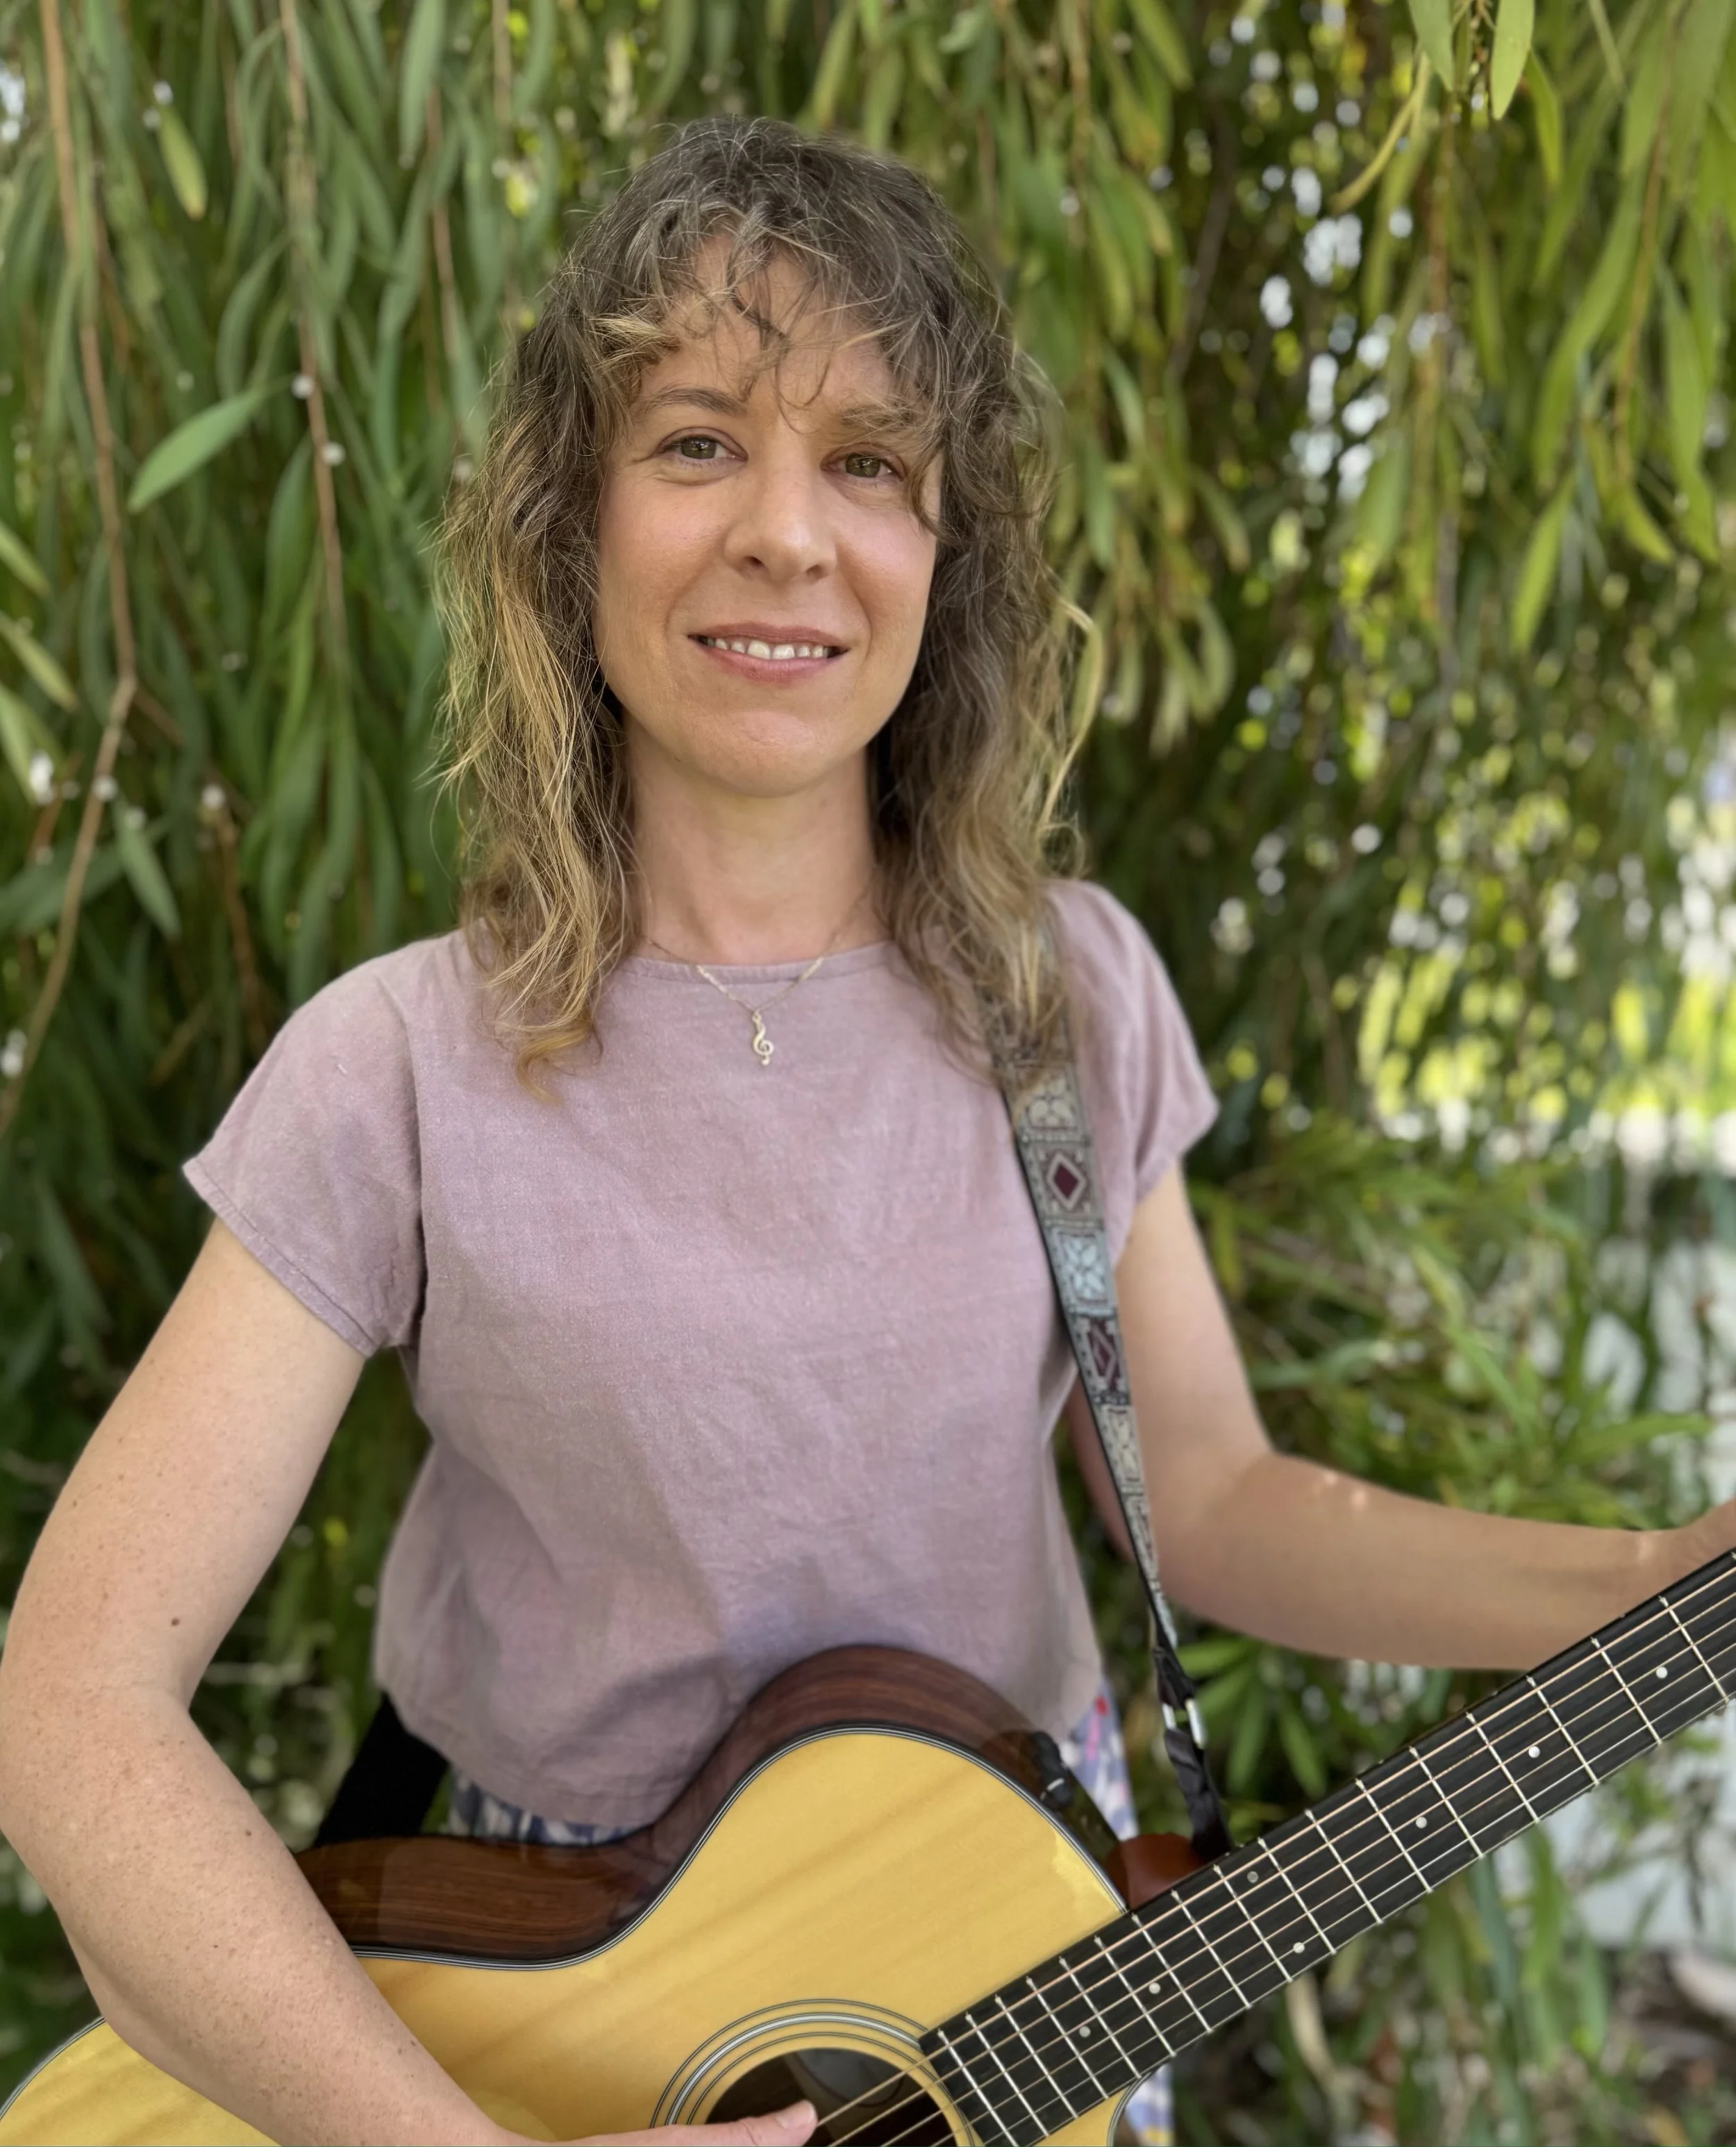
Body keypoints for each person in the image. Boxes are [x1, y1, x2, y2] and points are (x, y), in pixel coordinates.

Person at [0, 114, 1730, 2147]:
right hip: (561, 2041)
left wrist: (1657, 1577)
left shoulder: (1059, 999)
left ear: (945, 557)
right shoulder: (396, 1069)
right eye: (699, 440)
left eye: (871, 464)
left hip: (1018, 1968)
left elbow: (1212, 1504)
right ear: (568, 528)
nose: (788, 536)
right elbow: (69, 1705)